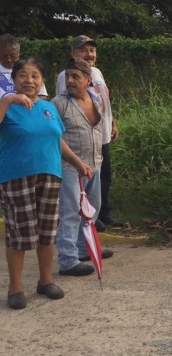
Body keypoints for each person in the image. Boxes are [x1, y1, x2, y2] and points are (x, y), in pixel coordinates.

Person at [0, 58, 92, 309]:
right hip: (16, 176)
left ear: (42, 81)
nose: (29, 80)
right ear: (13, 80)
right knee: (19, 234)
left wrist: (76, 161)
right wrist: (7, 100)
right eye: (23, 76)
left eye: (35, 76)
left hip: (50, 176)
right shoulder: (5, 105)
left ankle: (45, 280)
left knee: (47, 232)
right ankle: (15, 287)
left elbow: (56, 139)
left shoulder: (47, 108)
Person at [52, 59, 113, 276]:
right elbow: (53, 136)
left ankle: (82, 247)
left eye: (75, 76)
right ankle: (68, 260)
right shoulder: (58, 103)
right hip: (70, 167)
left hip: (94, 163)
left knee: (92, 209)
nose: (69, 80)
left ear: (88, 80)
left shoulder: (95, 99)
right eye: (67, 76)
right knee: (71, 212)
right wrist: (75, 162)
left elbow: (100, 126)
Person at [56, 35, 120, 231]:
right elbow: (66, 106)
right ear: (73, 53)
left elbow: (101, 101)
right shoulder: (65, 76)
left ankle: (103, 214)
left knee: (103, 176)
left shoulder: (96, 73)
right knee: (84, 181)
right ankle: (89, 220)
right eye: (83, 50)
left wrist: (112, 120)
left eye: (91, 50)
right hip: (81, 139)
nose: (89, 54)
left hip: (102, 133)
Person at [1, 33, 48, 100]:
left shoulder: (30, 68)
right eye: (4, 56)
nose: (8, 59)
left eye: (12, 56)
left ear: (18, 53)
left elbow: (42, 96)